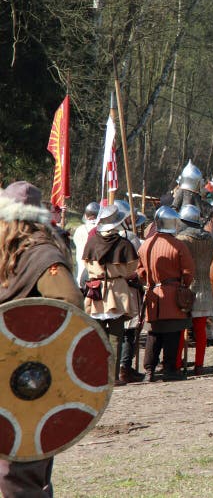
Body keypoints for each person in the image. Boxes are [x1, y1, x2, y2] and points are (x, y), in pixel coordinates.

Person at [0, 181, 83, 497]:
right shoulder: (5, 254)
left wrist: (29, 339)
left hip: (27, 382)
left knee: (18, 474)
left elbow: (69, 308)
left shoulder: (42, 255)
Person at [82, 204, 141, 386]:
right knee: (116, 336)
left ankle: (97, 376)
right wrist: (117, 271)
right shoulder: (124, 244)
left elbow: (86, 263)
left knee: (98, 336)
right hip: (117, 290)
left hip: (97, 290)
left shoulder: (91, 242)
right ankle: (113, 377)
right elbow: (131, 267)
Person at [137, 206, 195, 381]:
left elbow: (140, 273)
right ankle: (169, 370)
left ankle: (149, 371)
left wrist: (150, 283)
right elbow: (188, 272)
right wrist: (183, 286)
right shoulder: (178, 245)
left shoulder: (145, 245)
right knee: (172, 333)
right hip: (172, 294)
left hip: (153, 294)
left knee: (154, 335)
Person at [175, 204, 213, 375]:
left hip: (186, 289)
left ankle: (176, 364)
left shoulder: (181, 239)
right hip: (204, 286)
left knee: (180, 330)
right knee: (200, 330)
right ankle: (199, 365)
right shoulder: (209, 238)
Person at [72, 201, 100, 285]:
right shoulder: (101, 230)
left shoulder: (79, 229)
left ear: (85, 215)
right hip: (94, 273)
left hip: (80, 273)